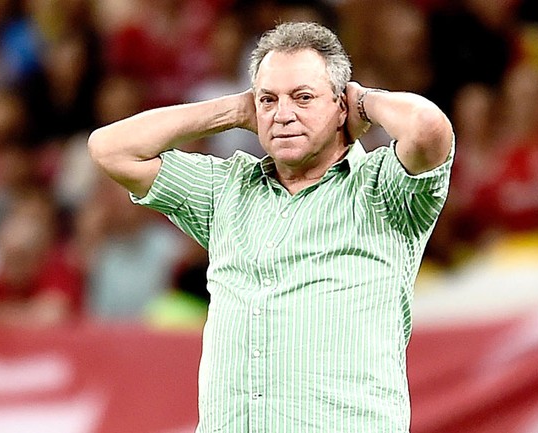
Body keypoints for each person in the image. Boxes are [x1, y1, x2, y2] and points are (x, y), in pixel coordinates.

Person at [88, 21, 454, 433]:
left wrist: (365, 102)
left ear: (340, 107)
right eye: (269, 100)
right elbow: (111, 149)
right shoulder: (224, 190)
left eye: (303, 98)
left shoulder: (383, 190)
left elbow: (428, 129)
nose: (283, 115)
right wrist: (233, 110)